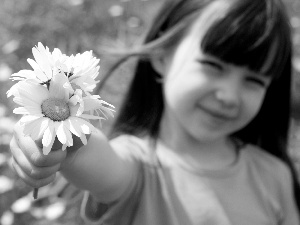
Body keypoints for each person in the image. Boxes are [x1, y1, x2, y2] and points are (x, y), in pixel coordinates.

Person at [9, 0, 300, 224]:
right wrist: (45, 130)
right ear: (162, 55)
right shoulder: (134, 169)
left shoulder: (276, 177)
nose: (228, 96)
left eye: (254, 80)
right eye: (213, 66)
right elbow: (83, 149)